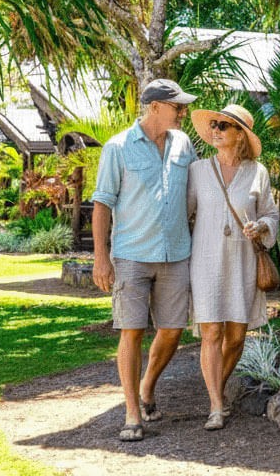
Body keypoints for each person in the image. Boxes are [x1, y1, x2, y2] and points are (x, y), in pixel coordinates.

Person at [91, 78, 198, 443]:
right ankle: (132, 412)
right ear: (155, 107)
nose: (183, 112)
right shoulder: (117, 148)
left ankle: (148, 386)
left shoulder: (184, 144)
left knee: (172, 330)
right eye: (177, 107)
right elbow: (102, 203)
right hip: (132, 255)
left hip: (176, 254)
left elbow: (196, 192)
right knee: (131, 331)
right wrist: (101, 258)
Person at [187, 103, 278, 431]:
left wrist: (262, 227)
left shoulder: (258, 172)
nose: (216, 130)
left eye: (224, 126)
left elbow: (271, 213)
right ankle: (215, 405)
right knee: (211, 332)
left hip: (242, 261)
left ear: (241, 134)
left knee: (237, 335)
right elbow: (184, 214)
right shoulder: (197, 171)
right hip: (205, 260)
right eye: (214, 124)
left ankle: (218, 388)